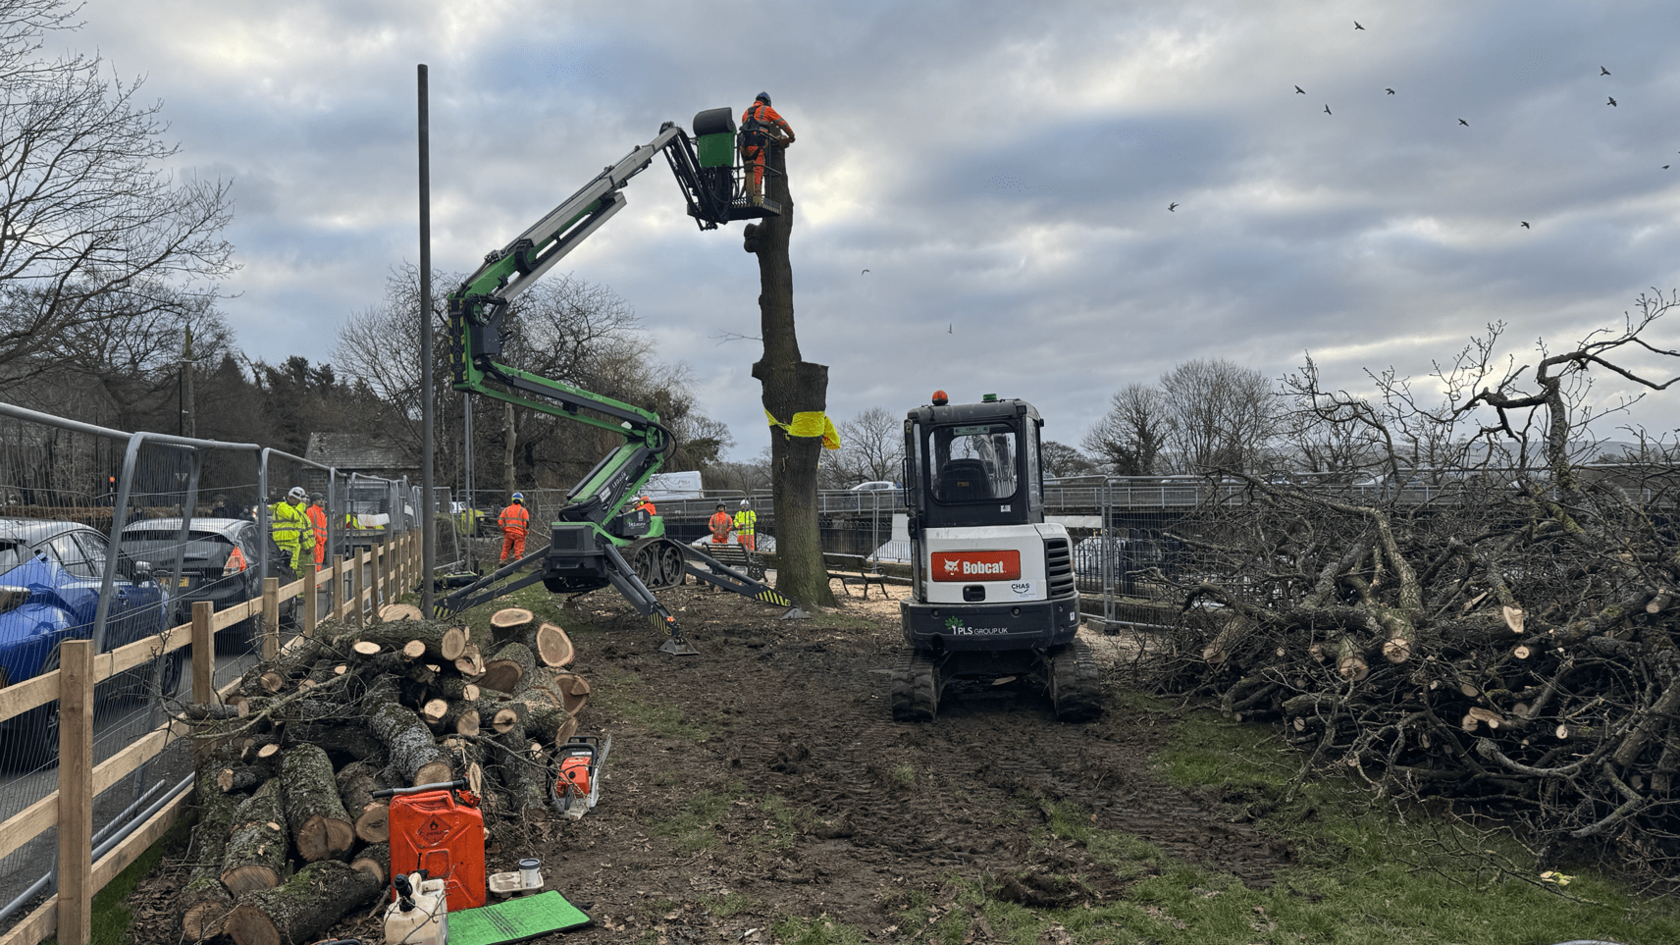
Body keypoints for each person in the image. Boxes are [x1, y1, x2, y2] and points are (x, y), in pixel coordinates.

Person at [739, 92, 794, 205]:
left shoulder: (746, 112)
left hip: (744, 147)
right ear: (768, 102)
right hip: (757, 145)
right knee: (758, 170)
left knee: (749, 170)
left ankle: (749, 193)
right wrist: (791, 136)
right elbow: (782, 123)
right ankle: (756, 198)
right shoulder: (766, 109)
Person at [271, 486, 314, 571]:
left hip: (294, 543)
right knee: (285, 569)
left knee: (293, 569)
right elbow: (295, 516)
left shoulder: (295, 510)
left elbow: (301, 531)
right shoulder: (282, 506)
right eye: (299, 500)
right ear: (294, 499)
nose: (300, 503)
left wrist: (306, 546)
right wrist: (302, 506)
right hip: (285, 543)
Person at [498, 491, 531, 564]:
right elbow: (526, 524)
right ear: (521, 500)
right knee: (518, 552)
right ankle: (518, 565)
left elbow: (500, 522)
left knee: (505, 549)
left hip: (508, 533)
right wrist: (526, 533)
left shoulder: (506, 509)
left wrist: (504, 529)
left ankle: (502, 562)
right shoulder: (523, 511)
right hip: (519, 534)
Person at [305, 493, 329, 567]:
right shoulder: (310, 511)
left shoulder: (322, 514)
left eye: (322, 499)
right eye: (319, 499)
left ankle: (317, 578)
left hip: (321, 544)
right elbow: (308, 528)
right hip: (314, 543)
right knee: (313, 564)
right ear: (313, 501)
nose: (321, 501)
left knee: (319, 564)